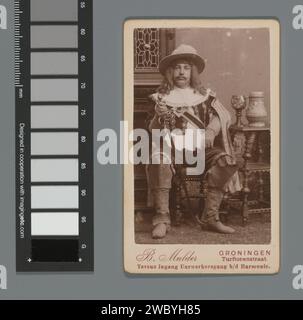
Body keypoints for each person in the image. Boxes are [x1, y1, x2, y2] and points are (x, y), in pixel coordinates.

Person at [146, 44, 241, 239]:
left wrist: (211, 131)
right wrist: (158, 116)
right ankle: (162, 219)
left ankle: (210, 218)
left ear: (193, 71)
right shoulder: (160, 98)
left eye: (186, 68)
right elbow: (152, 130)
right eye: (177, 67)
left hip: (200, 149)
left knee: (226, 161)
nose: (182, 72)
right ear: (170, 71)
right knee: (158, 159)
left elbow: (222, 116)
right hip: (172, 148)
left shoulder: (205, 96)